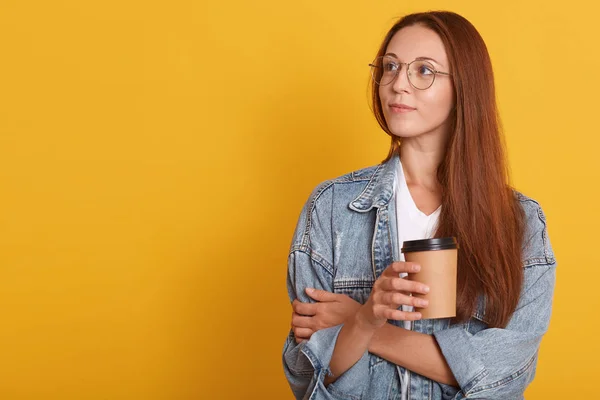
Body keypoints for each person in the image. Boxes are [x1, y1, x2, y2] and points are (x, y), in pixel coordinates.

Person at [281, 10, 556, 400]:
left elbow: (504, 375)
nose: (397, 84)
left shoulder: (520, 223)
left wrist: (369, 329)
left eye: (424, 71)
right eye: (390, 67)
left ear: (464, 88)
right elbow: (305, 374)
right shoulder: (331, 208)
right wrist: (363, 319)